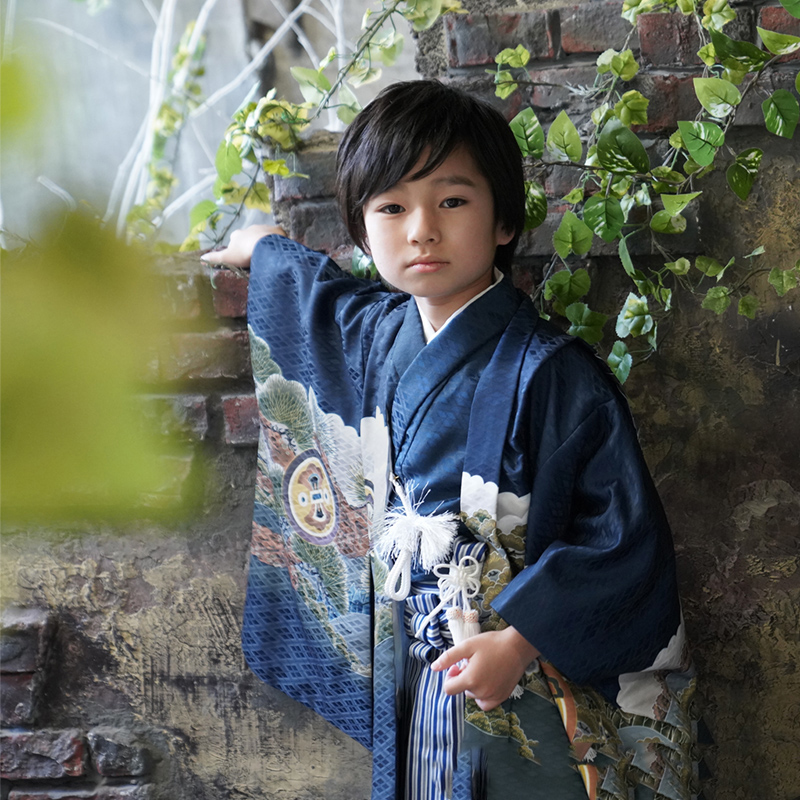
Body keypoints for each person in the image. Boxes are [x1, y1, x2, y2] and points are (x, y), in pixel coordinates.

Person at [202, 80, 697, 800]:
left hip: (518, 668)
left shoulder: (554, 376)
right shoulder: (379, 332)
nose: (421, 230)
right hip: (417, 658)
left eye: (452, 200)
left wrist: (521, 639)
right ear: (363, 230)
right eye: (391, 207)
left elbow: (621, 541)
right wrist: (266, 248)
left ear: (503, 219)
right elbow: (320, 294)